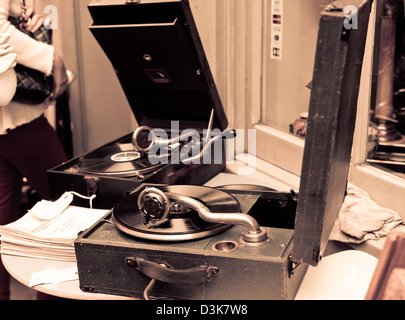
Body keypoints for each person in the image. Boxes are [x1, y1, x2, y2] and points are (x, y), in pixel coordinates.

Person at [0, 0, 69, 300]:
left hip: (5, 128)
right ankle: (50, 295)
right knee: (70, 205)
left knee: (4, 229)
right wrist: (51, 58)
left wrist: (21, 14)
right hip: (19, 121)